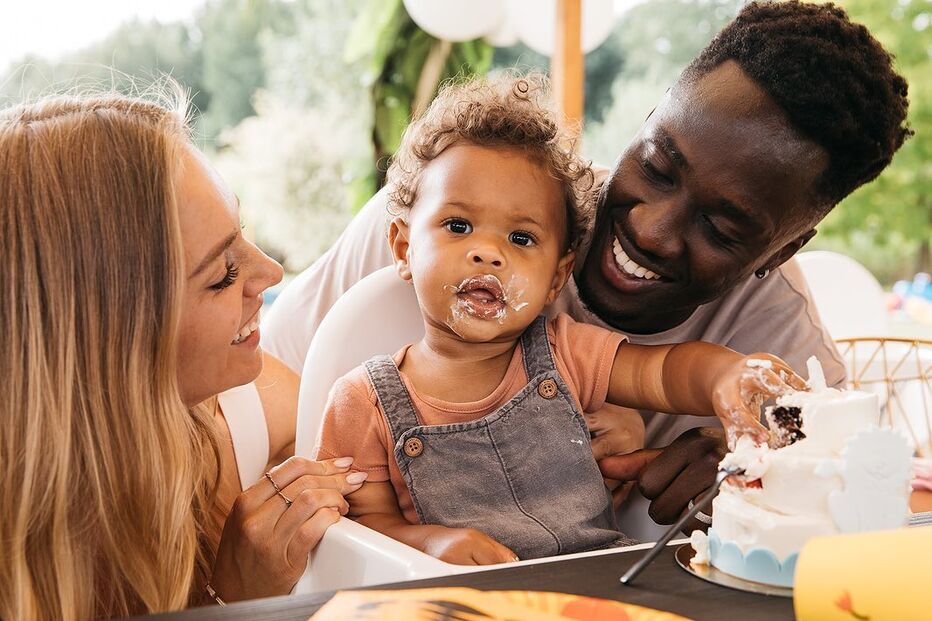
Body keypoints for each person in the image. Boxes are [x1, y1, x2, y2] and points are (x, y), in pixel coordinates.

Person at [263, 1, 911, 540]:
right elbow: (268, 386)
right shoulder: (444, 216)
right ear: (649, 116)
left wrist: (747, 461)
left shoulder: (775, 326)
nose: (652, 228)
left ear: (779, 253)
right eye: (657, 165)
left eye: (723, 227)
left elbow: (832, 462)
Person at [314, 75, 807, 565]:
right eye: (458, 226)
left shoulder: (567, 353)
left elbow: (665, 372)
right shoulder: (361, 401)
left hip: (593, 584)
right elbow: (361, 530)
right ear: (404, 247)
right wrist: (431, 544)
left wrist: (726, 375)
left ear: (556, 277)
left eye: (521, 239)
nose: (488, 253)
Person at [0, 90, 367, 620]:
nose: (269, 273)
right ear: (112, 334)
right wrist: (231, 600)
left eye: (243, 232)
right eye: (222, 275)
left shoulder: (255, 409)